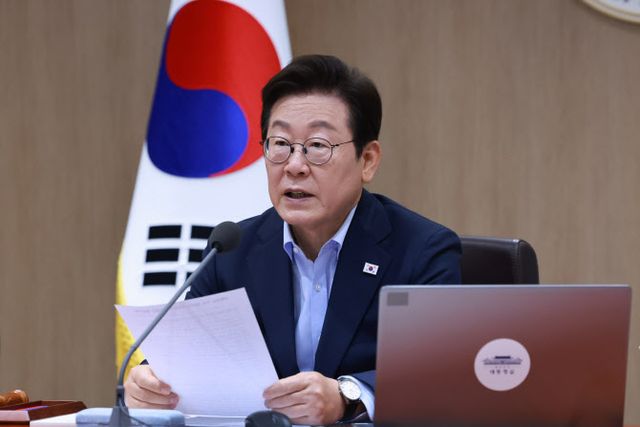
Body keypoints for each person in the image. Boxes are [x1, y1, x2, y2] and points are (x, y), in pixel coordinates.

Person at [124, 54, 461, 425]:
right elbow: (189, 359)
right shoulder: (231, 250)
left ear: (367, 160)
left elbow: (439, 372)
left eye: (317, 146)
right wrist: (149, 382)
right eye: (280, 143)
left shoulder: (422, 250)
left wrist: (347, 396)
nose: (295, 165)